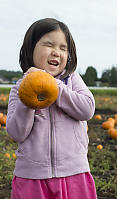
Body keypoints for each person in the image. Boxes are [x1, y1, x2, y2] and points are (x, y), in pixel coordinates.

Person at [6, 18, 97, 199]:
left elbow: (87, 109)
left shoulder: (72, 80)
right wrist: (29, 95)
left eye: (63, 48)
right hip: (32, 177)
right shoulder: (19, 88)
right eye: (49, 45)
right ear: (31, 49)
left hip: (74, 173)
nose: (56, 52)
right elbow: (16, 132)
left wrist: (54, 86)